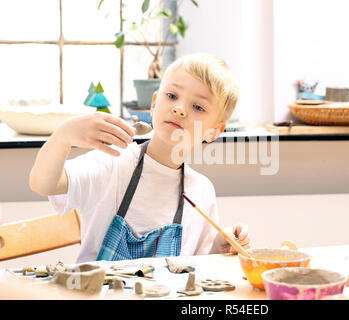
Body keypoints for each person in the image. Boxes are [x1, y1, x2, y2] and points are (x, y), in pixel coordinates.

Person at [29, 53, 250, 263]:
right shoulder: (113, 162)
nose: (180, 109)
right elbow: (43, 184)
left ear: (213, 132)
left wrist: (219, 247)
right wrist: (63, 136)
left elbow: (199, 267)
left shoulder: (201, 191)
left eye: (198, 107)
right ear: (154, 104)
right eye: (172, 96)